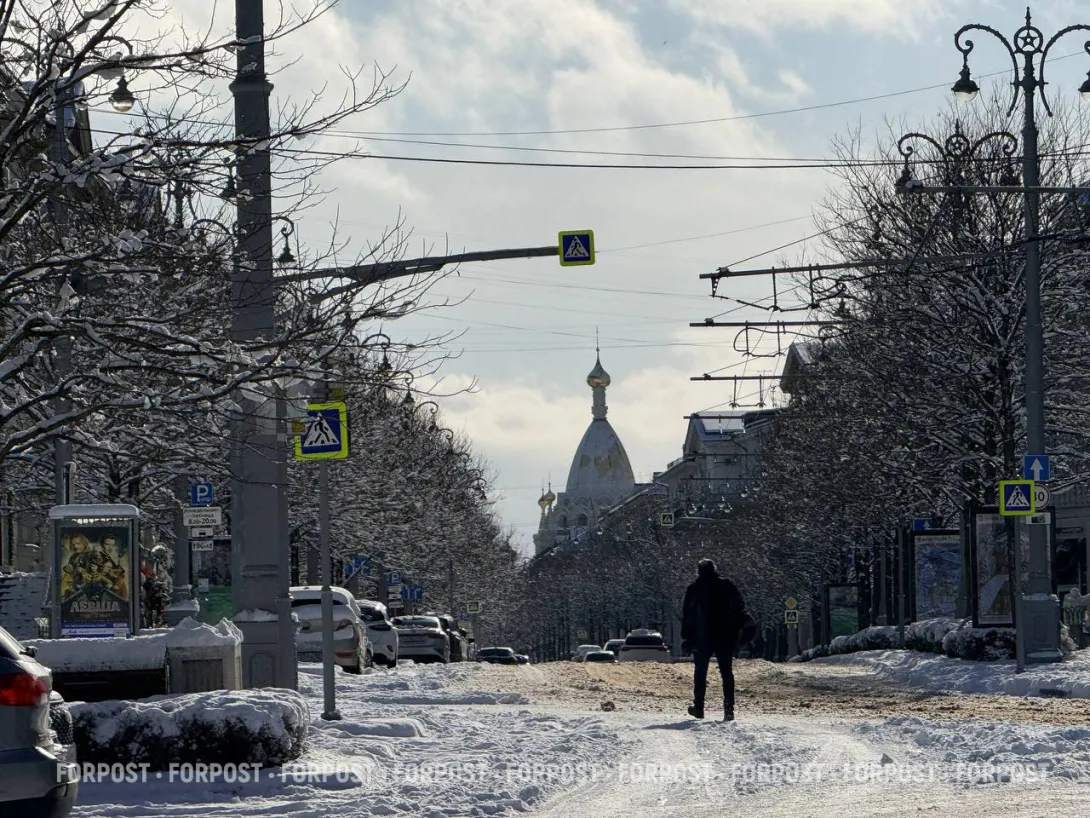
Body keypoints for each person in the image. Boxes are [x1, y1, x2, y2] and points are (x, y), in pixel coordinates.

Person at [681, 558, 750, 722]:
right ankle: (728, 708)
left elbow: (687, 616)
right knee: (726, 672)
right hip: (724, 635)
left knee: (700, 673)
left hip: (702, 637)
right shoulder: (726, 585)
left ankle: (698, 707)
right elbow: (740, 605)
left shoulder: (694, 589)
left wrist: (687, 637)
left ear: (699, 572)